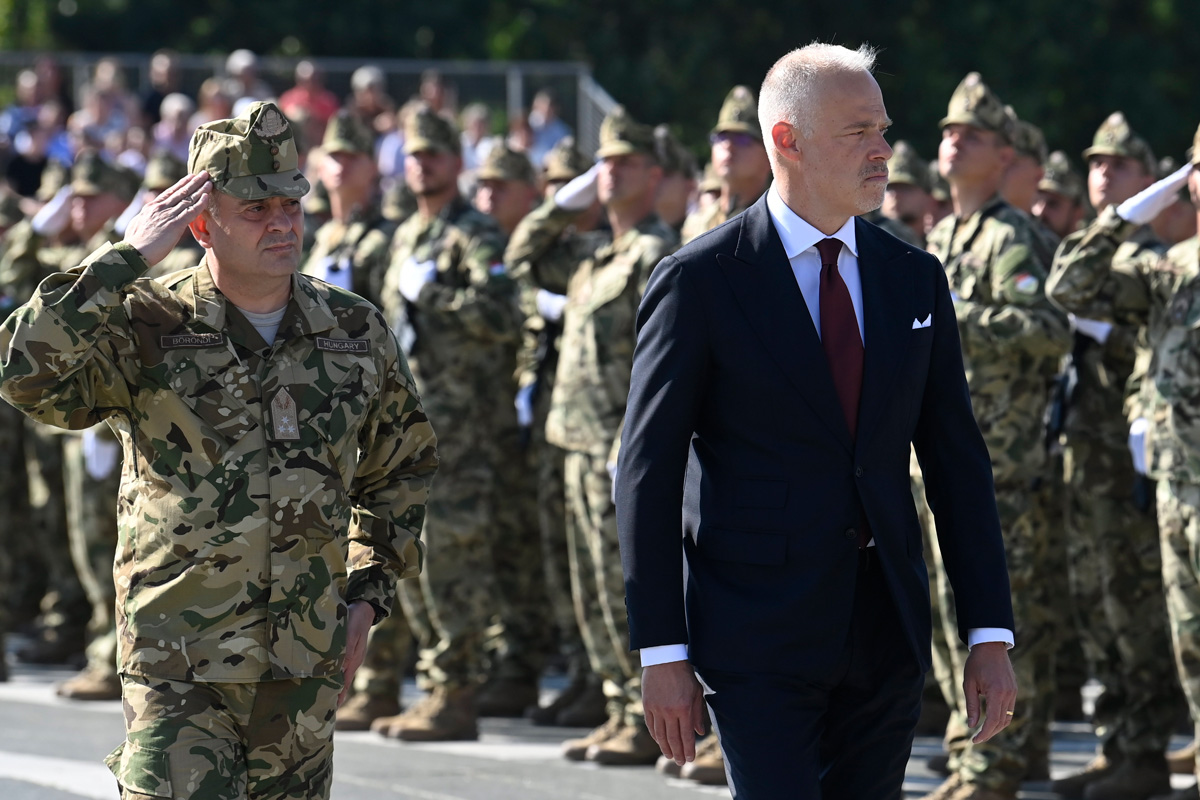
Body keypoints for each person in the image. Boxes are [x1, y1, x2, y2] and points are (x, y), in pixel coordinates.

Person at [0, 100, 438, 799]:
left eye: (290, 203)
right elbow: (21, 370)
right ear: (202, 224)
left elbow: (402, 465)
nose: (283, 222)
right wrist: (124, 259)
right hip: (179, 664)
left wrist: (367, 594)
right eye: (257, 209)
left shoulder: (353, 330)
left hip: (301, 668)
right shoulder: (147, 322)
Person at [616, 44, 1017, 799]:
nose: (883, 149)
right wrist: (660, 650)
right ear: (787, 141)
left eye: (884, 129)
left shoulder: (913, 277)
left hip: (886, 632)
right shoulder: (701, 280)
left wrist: (988, 633)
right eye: (857, 131)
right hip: (756, 637)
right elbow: (648, 472)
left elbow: (957, 463)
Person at [507, 105, 678, 766]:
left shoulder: (655, 253)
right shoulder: (590, 252)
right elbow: (522, 255)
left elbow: (661, 363)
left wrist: (635, 445)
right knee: (593, 589)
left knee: (626, 584)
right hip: (572, 443)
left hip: (618, 447)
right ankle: (618, 707)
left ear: (654, 173)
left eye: (625, 163)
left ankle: (647, 716)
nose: (612, 174)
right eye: (604, 163)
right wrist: (572, 196)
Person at [1046, 125, 1200, 800]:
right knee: (1189, 644)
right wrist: (1128, 212)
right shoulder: (1173, 269)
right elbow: (1070, 286)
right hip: (1172, 484)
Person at [681, 85, 771, 244]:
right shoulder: (696, 224)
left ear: (769, 155)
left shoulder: (777, 225)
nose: (729, 145)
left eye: (743, 139)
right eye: (722, 137)